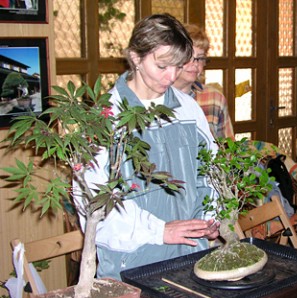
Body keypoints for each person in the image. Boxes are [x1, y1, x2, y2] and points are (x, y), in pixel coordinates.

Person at [76, 14, 219, 280]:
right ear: (135, 57)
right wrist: (159, 230)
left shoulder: (187, 109)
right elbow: (92, 203)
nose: (171, 76)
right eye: (162, 66)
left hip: (190, 257)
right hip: (131, 266)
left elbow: (210, 170)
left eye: (178, 66)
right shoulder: (106, 116)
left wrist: (210, 218)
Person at [173, 24, 235, 139]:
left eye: (200, 58)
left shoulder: (214, 98)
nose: (195, 64)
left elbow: (228, 148)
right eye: (188, 57)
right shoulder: (157, 97)